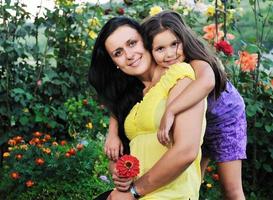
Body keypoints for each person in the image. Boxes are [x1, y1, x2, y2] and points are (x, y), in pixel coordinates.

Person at [104, 11, 247, 200]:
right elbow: (118, 104)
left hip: (225, 121)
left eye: (174, 44)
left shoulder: (194, 62)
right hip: (196, 121)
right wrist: (113, 133)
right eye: (160, 49)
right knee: (189, 178)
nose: (170, 54)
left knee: (232, 190)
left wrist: (171, 111)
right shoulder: (156, 74)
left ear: (184, 40)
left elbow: (207, 82)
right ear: (150, 48)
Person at [89, 16, 206, 199]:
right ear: (114, 63)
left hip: (169, 194)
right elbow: (124, 157)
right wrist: (120, 175)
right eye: (118, 53)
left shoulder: (179, 74)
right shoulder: (133, 97)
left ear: (146, 41)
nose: (129, 55)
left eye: (132, 43)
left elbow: (186, 151)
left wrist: (134, 192)